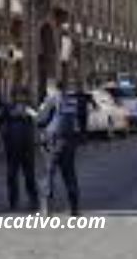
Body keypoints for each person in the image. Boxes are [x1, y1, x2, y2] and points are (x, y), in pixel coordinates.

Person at [37, 81, 81, 216]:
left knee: (48, 174)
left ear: (52, 88)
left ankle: (46, 209)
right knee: (70, 174)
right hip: (69, 141)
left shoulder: (51, 100)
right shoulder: (71, 101)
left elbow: (41, 119)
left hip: (53, 141)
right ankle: (74, 208)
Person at [0, 86, 39, 211]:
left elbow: (38, 118)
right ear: (14, 97)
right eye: (17, 95)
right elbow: (0, 121)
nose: (20, 98)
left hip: (27, 146)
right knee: (11, 175)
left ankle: (33, 200)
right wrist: (4, 135)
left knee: (29, 175)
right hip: (12, 146)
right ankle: (13, 201)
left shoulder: (30, 107)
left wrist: (28, 114)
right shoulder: (7, 107)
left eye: (22, 95)